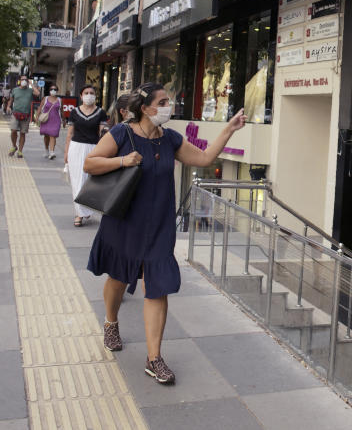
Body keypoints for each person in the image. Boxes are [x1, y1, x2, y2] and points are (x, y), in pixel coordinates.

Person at [85, 82, 246, 384]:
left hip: (158, 225)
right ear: (144, 108)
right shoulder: (123, 133)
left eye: (168, 101)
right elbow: (90, 163)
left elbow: (204, 158)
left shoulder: (170, 139)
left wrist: (229, 129)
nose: (167, 106)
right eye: (162, 102)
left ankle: (154, 358)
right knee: (118, 277)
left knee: (156, 286)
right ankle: (110, 322)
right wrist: (123, 160)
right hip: (124, 221)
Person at [65, 85, 107, 227]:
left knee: (90, 181)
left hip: (93, 148)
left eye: (92, 93)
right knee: (77, 182)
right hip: (76, 148)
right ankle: (79, 214)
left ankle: (85, 209)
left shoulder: (101, 112)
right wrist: (66, 153)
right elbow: (70, 133)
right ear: (81, 95)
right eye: (86, 93)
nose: (89, 95)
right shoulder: (74, 112)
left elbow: (103, 133)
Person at [8, 76, 39, 158]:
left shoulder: (30, 90)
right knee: (13, 130)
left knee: (23, 133)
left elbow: (38, 93)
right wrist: (8, 106)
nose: (24, 81)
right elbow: (11, 99)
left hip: (26, 115)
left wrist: (31, 84)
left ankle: (20, 151)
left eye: (26, 80)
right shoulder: (15, 90)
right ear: (20, 81)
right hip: (15, 114)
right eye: (23, 80)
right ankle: (14, 146)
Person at [38, 84, 63, 159]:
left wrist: (64, 120)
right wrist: (37, 118)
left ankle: (52, 152)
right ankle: (46, 150)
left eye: (55, 89)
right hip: (46, 120)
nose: (53, 91)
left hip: (56, 120)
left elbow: (62, 111)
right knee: (46, 136)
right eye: (52, 89)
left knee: (53, 135)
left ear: (57, 91)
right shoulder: (45, 99)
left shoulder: (59, 100)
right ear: (49, 91)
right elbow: (40, 108)